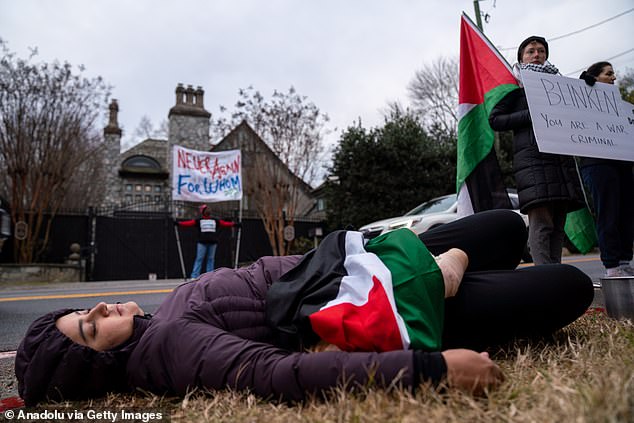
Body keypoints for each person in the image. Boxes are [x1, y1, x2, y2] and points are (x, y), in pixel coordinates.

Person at [15, 210, 594, 406]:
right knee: (570, 287)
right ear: (102, 364)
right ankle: (450, 286)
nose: (98, 308)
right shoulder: (168, 347)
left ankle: (456, 269)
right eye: (91, 329)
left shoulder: (156, 319)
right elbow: (277, 376)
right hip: (374, 300)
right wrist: (433, 370)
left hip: (360, 262)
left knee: (505, 225)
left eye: (85, 312)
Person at [489, 35, 585, 265]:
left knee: (558, 226)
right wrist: (532, 115)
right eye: (531, 51)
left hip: (560, 162)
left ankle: (556, 277)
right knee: (542, 224)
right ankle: (545, 278)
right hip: (534, 164)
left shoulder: (560, 86)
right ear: (521, 57)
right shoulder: (515, 88)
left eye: (541, 51)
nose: (537, 55)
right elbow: (496, 119)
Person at [577, 62, 634, 277]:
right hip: (598, 164)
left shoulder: (619, 105)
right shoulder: (585, 98)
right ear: (595, 77)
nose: (614, 78)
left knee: (626, 213)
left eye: (614, 74)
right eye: (608, 74)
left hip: (623, 163)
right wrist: (586, 81)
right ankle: (612, 266)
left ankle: (625, 260)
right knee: (608, 213)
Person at [174, 204, 239, 278]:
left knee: (207, 259)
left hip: (210, 242)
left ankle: (205, 276)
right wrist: (179, 223)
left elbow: (224, 223)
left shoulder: (211, 220)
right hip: (205, 242)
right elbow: (189, 223)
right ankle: (198, 276)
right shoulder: (202, 220)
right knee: (203, 259)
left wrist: (234, 224)